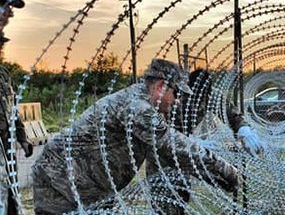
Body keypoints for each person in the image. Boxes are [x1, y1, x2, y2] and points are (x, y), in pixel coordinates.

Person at [31, 59, 239, 215]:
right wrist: (227, 173)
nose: (177, 102)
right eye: (176, 94)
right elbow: (175, 146)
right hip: (61, 184)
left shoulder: (142, 102)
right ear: (160, 87)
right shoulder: (138, 108)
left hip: (89, 186)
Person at [145, 68, 266, 215]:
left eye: (203, 95)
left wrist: (244, 130)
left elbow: (233, 116)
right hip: (161, 158)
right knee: (163, 200)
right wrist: (189, 141)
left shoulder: (210, 95)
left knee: (180, 197)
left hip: (183, 158)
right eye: (194, 94)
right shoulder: (170, 95)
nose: (199, 99)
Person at [0, 0, 33, 215]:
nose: (9, 12)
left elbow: (9, 107)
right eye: (2, 3)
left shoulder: (3, 73)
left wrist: (21, 135)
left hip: (6, 155)